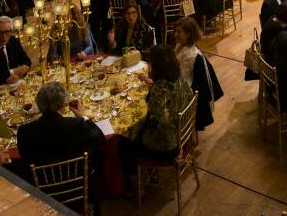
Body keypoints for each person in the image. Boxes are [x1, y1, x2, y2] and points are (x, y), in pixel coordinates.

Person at [119, 45, 194, 183]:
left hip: (167, 148)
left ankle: (136, 186)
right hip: (183, 135)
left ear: (157, 66)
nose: (148, 65)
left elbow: (153, 120)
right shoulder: (178, 77)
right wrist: (153, 83)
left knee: (124, 142)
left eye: (150, 62)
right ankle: (148, 175)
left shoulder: (159, 90)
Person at [18, 81, 106, 169]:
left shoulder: (23, 132)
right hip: (78, 175)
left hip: (43, 180)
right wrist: (83, 117)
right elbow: (100, 140)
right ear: (63, 104)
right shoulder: (76, 124)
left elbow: (25, 159)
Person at [173, 18, 223, 131]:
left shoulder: (190, 54)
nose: (175, 34)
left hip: (186, 90)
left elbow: (181, 78)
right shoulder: (180, 46)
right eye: (175, 31)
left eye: (179, 32)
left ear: (188, 34)